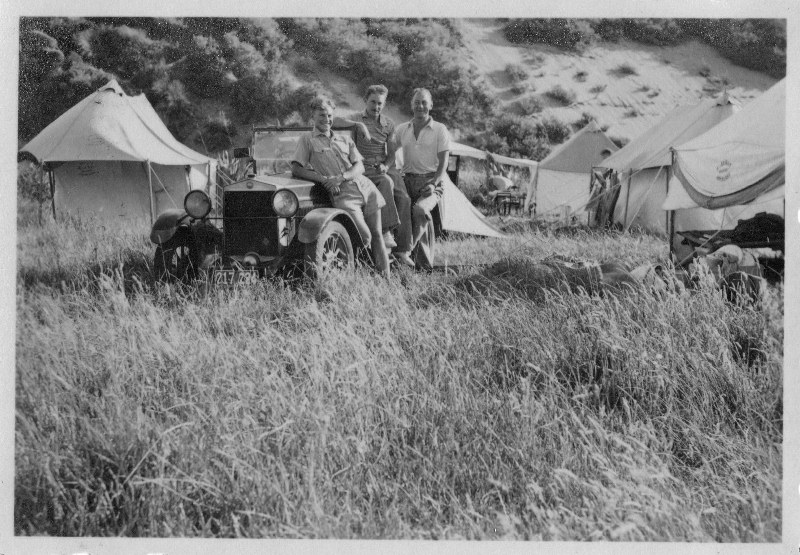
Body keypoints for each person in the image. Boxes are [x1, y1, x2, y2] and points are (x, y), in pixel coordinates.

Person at [291, 96, 390, 276]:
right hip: (343, 197)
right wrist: (324, 179)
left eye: (329, 116)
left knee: (377, 235)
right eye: (321, 116)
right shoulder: (307, 140)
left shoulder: (344, 139)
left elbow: (359, 166)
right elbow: (297, 169)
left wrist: (340, 177)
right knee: (364, 236)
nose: (327, 120)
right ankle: (359, 275)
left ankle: (386, 280)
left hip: (365, 188)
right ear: (312, 117)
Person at [334, 85, 414, 267]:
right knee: (385, 184)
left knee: (403, 197)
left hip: (381, 166)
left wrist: (386, 166)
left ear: (384, 105)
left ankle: (403, 249)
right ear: (365, 100)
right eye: (373, 102)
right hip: (362, 165)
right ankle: (385, 232)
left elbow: (392, 153)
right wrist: (357, 125)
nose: (376, 107)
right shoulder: (355, 117)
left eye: (380, 103)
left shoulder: (388, 124)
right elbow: (334, 122)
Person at [393, 88, 452, 270]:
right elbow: (389, 153)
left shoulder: (440, 129)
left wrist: (434, 184)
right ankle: (422, 267)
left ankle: (405, 252)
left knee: (420, 210)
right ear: (411, 105)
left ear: (431, 105)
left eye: (424, 102)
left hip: (432, 181)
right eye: (417, 102)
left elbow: (444, 162)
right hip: (407, 180)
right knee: (408, 219)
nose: (420, 106)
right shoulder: (402, 129)